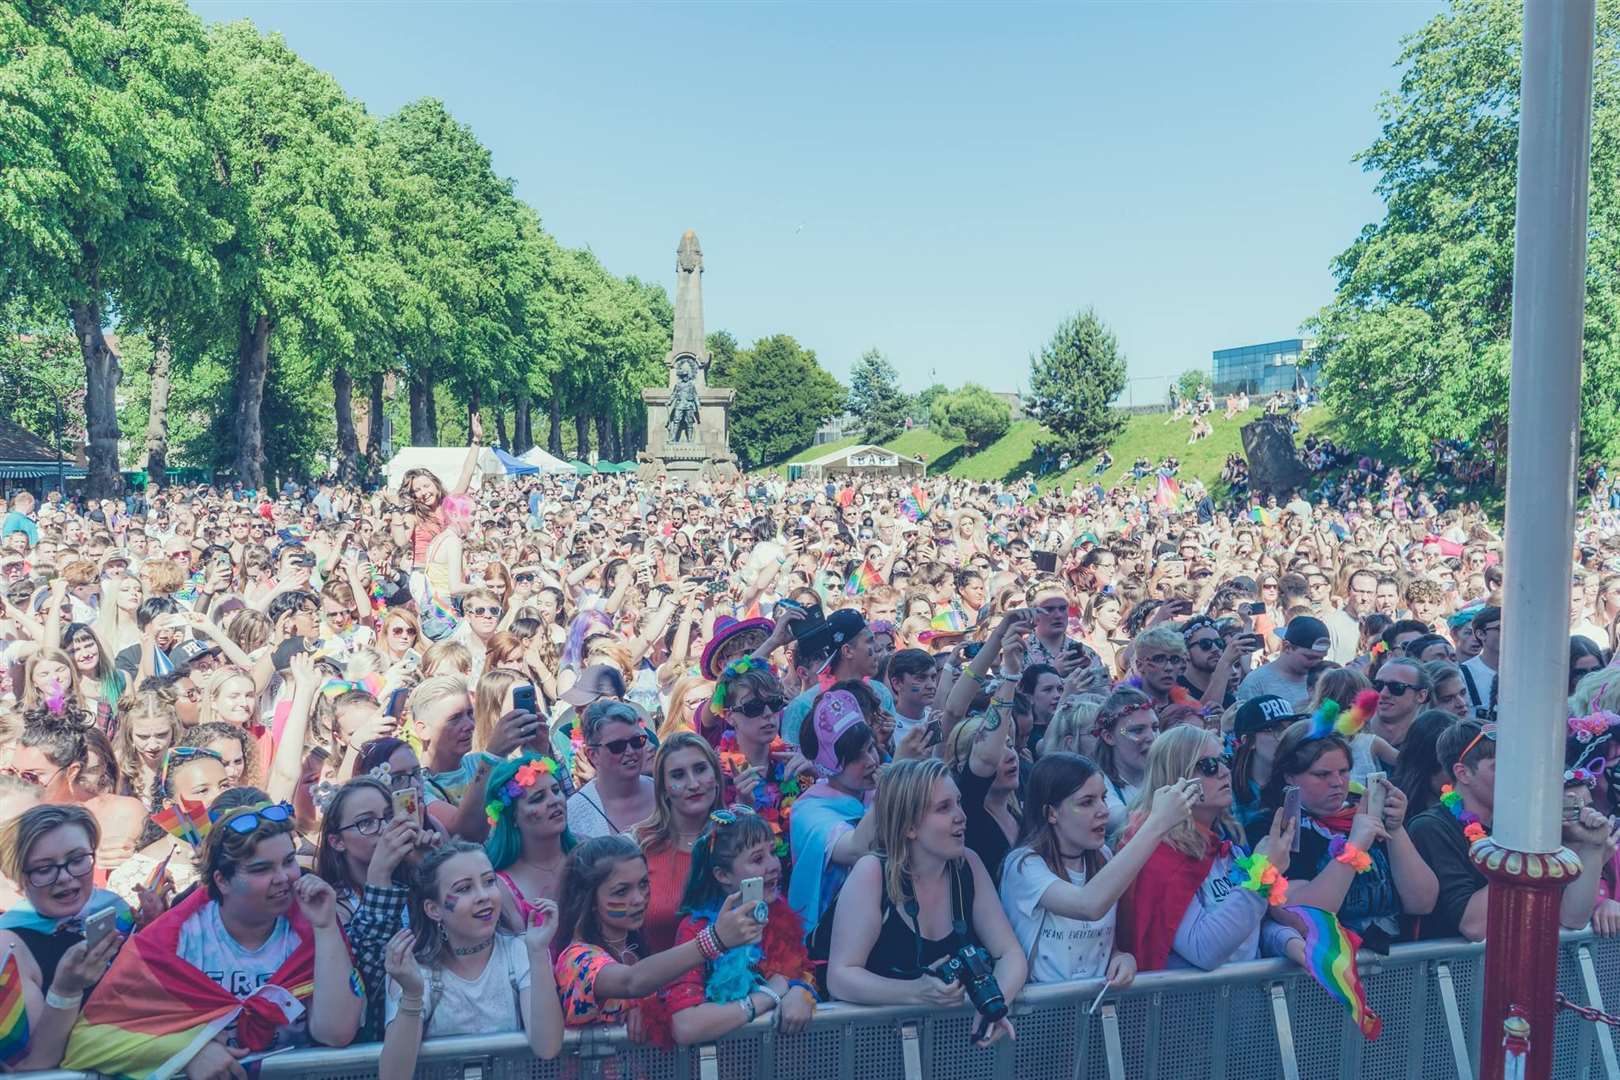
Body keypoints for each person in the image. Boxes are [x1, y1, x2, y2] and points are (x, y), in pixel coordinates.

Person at [64, 800, 362, 1078]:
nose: (283, 877)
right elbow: (89, 1040)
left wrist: (325, 928)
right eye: (262, 869)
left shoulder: (311, 926)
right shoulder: (171, 939)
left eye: (287, 861)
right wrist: (189, 1052)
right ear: (221, 880)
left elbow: (335, 1032)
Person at [825, 758, 1026, 1046]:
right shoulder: (872, 873)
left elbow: (1010, 954)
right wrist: (915, 991)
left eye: (958, 802)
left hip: (950, 1049)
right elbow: (841, 976)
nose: (961, 815)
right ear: (909, 826)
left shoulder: (968, 864)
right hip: (874, 1049)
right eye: (944, 808)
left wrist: (995, 1004)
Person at [1117, 726, 1306, 971]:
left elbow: (1248, 927)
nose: (1225, 772)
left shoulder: (1225, 845)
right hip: (1192, 1005)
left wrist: (1287, 941)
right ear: (1177, 776)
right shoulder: (1159, 854)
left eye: (1224, 760)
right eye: (1209, 765)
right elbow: (1204, 949)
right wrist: (1263, 872)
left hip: (1245, 1002)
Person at [1000, 752, 1198, 985]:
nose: (1103, 810)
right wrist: (1157, 823)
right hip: (1045, 1016)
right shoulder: (1023, 865)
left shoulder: (1102, 855)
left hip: (1095, 1012)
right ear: (1052, 813)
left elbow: (1102, 941)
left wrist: (1121, 958)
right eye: (1087, 802)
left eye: (1103, 797)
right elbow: (1088, 905)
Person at [1407, 721, 1610, 940]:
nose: (1517, 776)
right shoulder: (1432, 827)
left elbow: (1573, 919)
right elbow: (1474, 927)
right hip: (1457, 972)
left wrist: (1592, 848)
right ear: (1463, 773)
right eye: (1501, 766)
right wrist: (1524, 841)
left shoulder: (1527, 825)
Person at [553, 834, 763, 1040]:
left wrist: (646, 1008)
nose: (638, 899)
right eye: (621, 891)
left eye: (643, 884)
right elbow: (631, 981)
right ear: (589, 899)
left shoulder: (636, 948)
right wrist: (716, 939)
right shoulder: (576, 959)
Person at [378, 841, 563, 1073]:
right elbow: (393, 1075)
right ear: (433, 909)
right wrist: (413, 994)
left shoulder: (521, 952)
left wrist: (537, 954)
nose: (483, 896)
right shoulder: (415, 971)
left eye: (488, 882)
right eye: (464, 888)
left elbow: (547, 1047)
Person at [1248, 723, 1437, 945]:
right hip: (1324, 968)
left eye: (1344, 771)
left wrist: (1396, 827)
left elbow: (1422, 902)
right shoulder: (1273, 827)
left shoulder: (1363, 814)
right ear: (1290, 777)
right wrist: (1354, 849)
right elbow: (1304, 919)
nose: (1337, 783)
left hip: (1394, 964)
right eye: (1322, 774)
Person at [664, 806, 817, 1043]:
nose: (774, 865)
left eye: (773, 852)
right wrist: (769, 995)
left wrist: (800, 991)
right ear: (722, 875)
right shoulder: (695, 930)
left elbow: (803, 971)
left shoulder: (778, 915)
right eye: (758, 858)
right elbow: (685, 1026)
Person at [0, 805, 130, 1070]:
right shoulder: (9, 946)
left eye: (77, 859)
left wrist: (153, 926)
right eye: (44, 868)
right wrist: (65, 991)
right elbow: (31, 1066)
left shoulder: (113, 908)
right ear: (18, 879)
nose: (66, 877)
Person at [314, 775, 423, 1041]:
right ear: (337, 842)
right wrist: (379, 877)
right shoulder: (329, 905)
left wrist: (431, 870)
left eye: (389, 816)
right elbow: (368, 982)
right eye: (366, 823)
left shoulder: (414, 885)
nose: (385, 829)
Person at [787, 687, 882, 937]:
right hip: (831, 942)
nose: (871, 761)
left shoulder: (874, 788)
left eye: (871, 748)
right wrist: (890, 795)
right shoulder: (809, 811)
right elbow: (857, 849)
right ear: (829, 766)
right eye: (855, 757)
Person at [630, 733, 724, 952]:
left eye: (700, 769)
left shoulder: (740, 836)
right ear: (663, 789)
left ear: (717, 776)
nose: (693, 784)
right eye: (678, 775)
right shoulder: (639, 846)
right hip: (660, 981)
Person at [487, 753, 576, 932]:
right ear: (513, 818)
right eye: (538, 798)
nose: (554, 801)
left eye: (556, 790)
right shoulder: (501, 887)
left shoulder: (586, 854)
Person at [567, 700, 656, 840]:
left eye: (637, 741)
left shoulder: (663, 792)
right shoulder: (575, 813)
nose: (630, 751)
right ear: (593, 755)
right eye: (617, 746)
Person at [1093, 688, 1159, 840]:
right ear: (1109, 737)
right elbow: (1121, 822)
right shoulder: (1099, 784)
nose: (1151, 737)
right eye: (1137, 730)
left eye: (1155, 728)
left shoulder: (1169, 772)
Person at [1234, 616, 1330, 711]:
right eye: (1310, 657)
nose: (1317, 663)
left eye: (1321, 657)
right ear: (1286, 647)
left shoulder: (1325, 679)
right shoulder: (1256, 683)